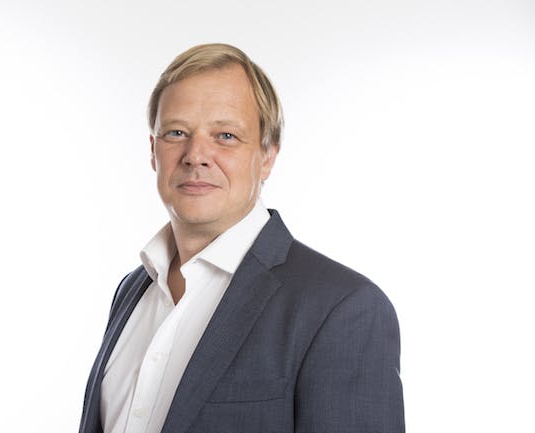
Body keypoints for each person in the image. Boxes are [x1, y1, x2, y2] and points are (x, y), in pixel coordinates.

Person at [79, 43, 404, 433]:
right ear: (153, 150)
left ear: (267, 156)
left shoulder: (341, 309)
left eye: (226, 135)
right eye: (176, 132)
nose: (195, 155)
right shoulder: (132, 292)